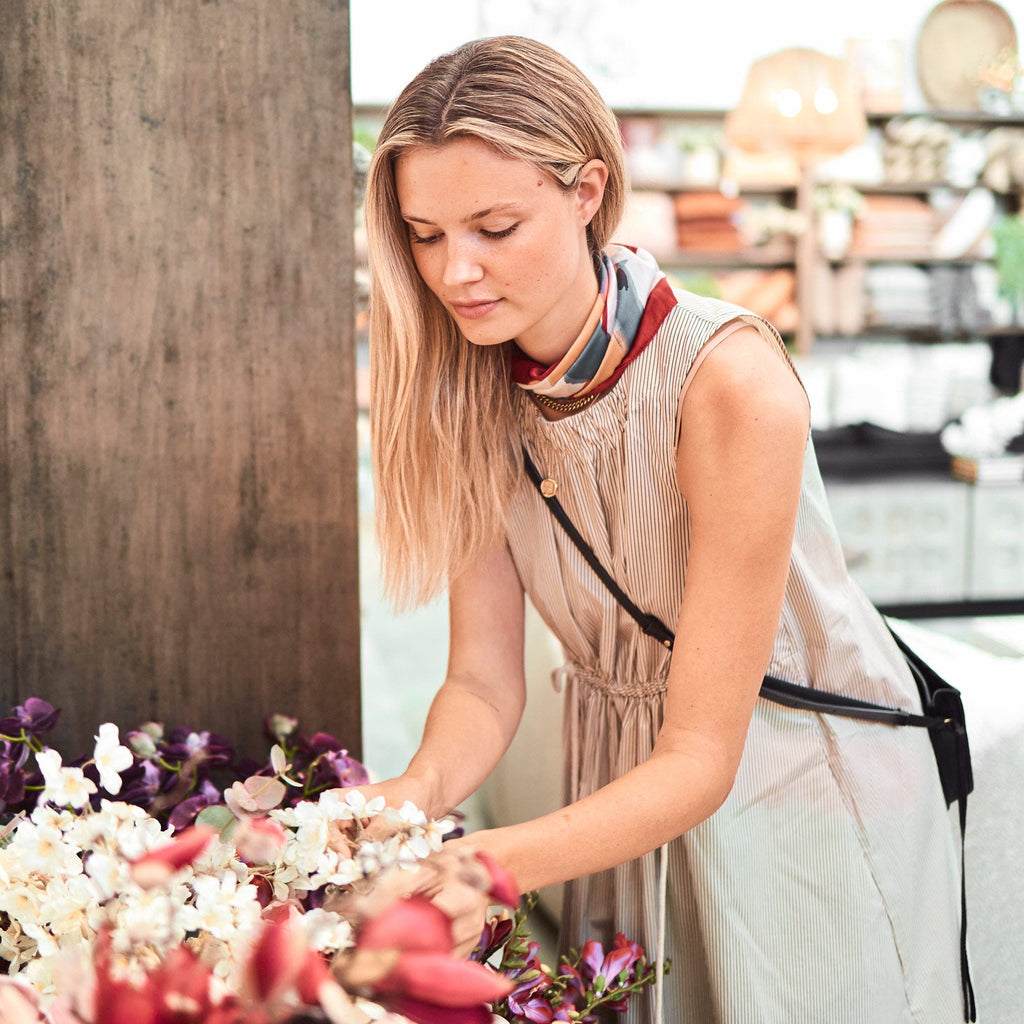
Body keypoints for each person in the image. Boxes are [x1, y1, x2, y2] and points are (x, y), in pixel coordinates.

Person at [354, 34, 965, 1024]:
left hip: (790, 780)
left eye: (494, 226)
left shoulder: (726, 383)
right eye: (424, 234)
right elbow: (480, 680)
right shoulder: (468, 386)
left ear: (587, 189)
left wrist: (476, 861)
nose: (454, 271)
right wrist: (417, 790)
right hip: (616, 792)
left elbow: (699, 755)